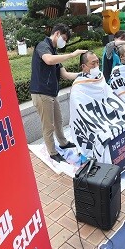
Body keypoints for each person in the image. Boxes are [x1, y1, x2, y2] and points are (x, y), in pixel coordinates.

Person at [30, 23, 88, 163]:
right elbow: (48, 60)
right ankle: (52, 152)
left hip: (51, 93)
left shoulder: (54, 52)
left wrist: (84, 75)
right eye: (64, 38)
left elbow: (65, 74)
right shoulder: (43, 46)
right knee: (48, 125)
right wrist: (72, 54)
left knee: (58, 120)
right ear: (56, 34)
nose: (65, 42)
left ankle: (63, 142)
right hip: (41, 93)